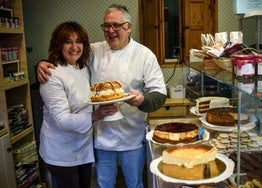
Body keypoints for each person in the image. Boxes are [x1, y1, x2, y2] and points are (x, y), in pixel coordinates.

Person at [37, 4, 167, 188]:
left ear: (128, 27)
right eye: (106, 26)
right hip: (101, 138)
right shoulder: (95, 51)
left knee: (134, 184)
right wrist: (42, 63)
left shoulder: (144, 55)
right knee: (104, 184)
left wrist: (143, 100)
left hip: (131, 136)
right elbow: (68, 56)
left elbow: (160, 94)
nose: (111, 31)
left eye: (116, 25)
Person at [38, 21, 117, 188]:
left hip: (82, 146)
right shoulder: (52, 74)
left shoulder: (82, 68)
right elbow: (61, 119)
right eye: (68, 41)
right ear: (58, 45)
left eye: (78, 41)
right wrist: (96, 115)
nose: (74, 47)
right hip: (61, 151)